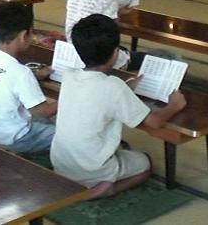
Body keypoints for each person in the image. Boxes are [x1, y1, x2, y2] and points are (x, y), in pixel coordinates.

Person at [50, 14, 187, 198]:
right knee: (146, 164)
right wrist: (174, 106)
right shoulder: (113, 86)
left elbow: (96, 96)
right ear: (115, 53)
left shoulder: (69, 75)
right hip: (93, 168)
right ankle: (106, 190)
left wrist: (127, 88)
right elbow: (154, 122)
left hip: (61, 162)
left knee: (121, 149)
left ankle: (95, 180)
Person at [0, 2, 57, 154]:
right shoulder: (21, 73)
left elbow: (7, 78)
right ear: (24, 35)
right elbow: (42, 112)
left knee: (46, 121)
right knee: (66, 136)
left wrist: (36, 76)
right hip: (17, 138)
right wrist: (67, 96)